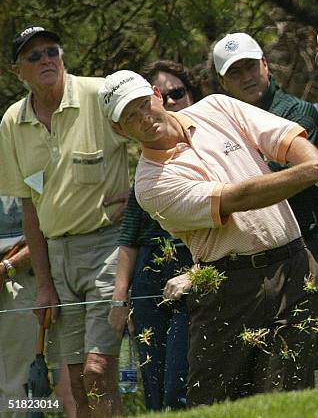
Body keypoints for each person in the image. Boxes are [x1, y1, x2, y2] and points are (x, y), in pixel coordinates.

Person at [97, 70, 318, 406]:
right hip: (227, 286)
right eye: (129, 117)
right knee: (217, 403)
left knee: (287, 395)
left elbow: (286, 140)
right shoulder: (150, 184)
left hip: (296, 269)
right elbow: (237, 198)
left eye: (142, 104)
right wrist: (317, 172)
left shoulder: (217, 107)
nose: (143, 118)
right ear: (120, 129)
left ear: (156, 95)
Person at [0, 26, 129, 416]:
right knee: (72, 377)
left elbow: (154, 132)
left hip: (107, 246)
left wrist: (140, 197)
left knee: (98, 369)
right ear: (16, 71)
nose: (46, 60)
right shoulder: (12, 122)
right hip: (56, 257)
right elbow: (29, 209)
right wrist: (43, 286)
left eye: (51, 50)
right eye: (34, 56)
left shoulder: (100, 92)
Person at [107, 60, 199, 411]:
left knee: (181, 386)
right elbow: (130, 233)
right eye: (131, 114)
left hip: (194, 265)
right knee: (156, 388)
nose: (173, 102)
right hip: (149, 274)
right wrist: (120, 299)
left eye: (178, 94)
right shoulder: (146, 164)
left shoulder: (207, 143)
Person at [213, 32, 318, 262]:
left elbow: (288, 173)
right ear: (222, 82)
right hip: (253, 249)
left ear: (265, 64)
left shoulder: (296, 112)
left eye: (251, 66)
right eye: (235, 72)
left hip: (305, 241)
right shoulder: (222, 124)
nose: (246, 77)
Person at [0, 197, 37, 418]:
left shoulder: (28, 164)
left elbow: (49, 230)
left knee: (17, 383)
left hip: (18, 275)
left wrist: (6, 268)